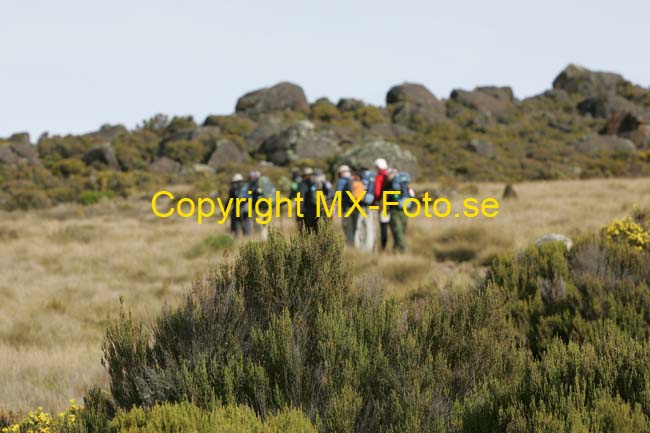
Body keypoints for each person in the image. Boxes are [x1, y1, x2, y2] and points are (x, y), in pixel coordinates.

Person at [379, 167, 409, 253]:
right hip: (404, 210)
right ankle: (396, 251)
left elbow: (387, 198)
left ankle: (402, 251)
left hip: (394, 211)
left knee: (398, 232)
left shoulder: (390, 185)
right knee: (400, 232)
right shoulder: (403, 183)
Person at [248, 170, 276, 240]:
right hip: (269, 206)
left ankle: (262, 240)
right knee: (266, 225)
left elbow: (250, 195)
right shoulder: (266, 184)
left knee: (259, 224)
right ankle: (266, 239)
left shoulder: (255, 185)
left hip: (259, 208)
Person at [354, 167, 376, 251]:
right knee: (369, 227)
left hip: (360, 205)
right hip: (371, 206)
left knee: (359, 226)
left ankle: (358, 247)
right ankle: (369, 248)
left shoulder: (359, 177)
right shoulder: (372, 177)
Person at [335, 165, 358, 245]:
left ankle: (351, 245)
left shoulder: (341, 181)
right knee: (355, 226)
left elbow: (338, 194)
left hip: (346, 207)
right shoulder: (355, 179)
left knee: (347, 226)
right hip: (357, 207)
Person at [297, 167, 321, 234]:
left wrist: (299, 212)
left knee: (308, 230)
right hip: (316, 209)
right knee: (316, 229)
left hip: (307, 211)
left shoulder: (303, 184)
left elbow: (301, 198)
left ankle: (311, 243)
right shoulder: (316, 183)